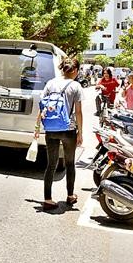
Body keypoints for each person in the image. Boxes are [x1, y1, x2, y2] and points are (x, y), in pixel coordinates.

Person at [34, 57, 83, 210]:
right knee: (69, 163)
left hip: (51, 130)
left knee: (51, 165)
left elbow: (42, 107)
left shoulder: (51, 83)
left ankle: (47, 199)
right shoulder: (75, 86)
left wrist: (37, 127)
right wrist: (80, 133)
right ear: (74, 70)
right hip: (68, 130)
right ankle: (70, 196)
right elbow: (79, 112)